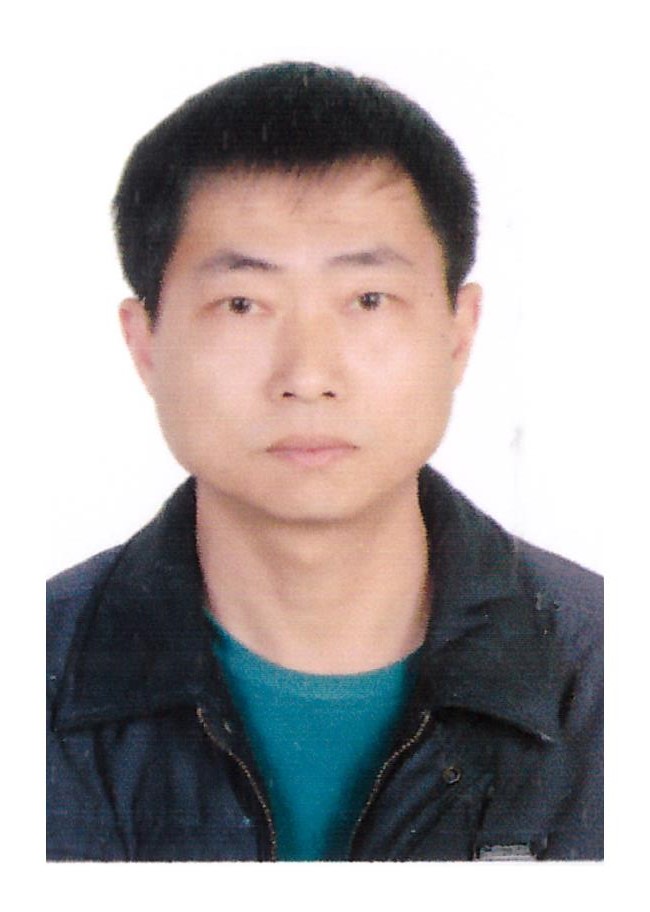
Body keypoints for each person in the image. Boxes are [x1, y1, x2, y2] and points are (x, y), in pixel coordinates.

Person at [46, 61, 603, 862]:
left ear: (458, 333)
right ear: (146, 345)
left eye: (368, 300)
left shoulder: (608, 676)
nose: (308, 376)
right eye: (243, 304)